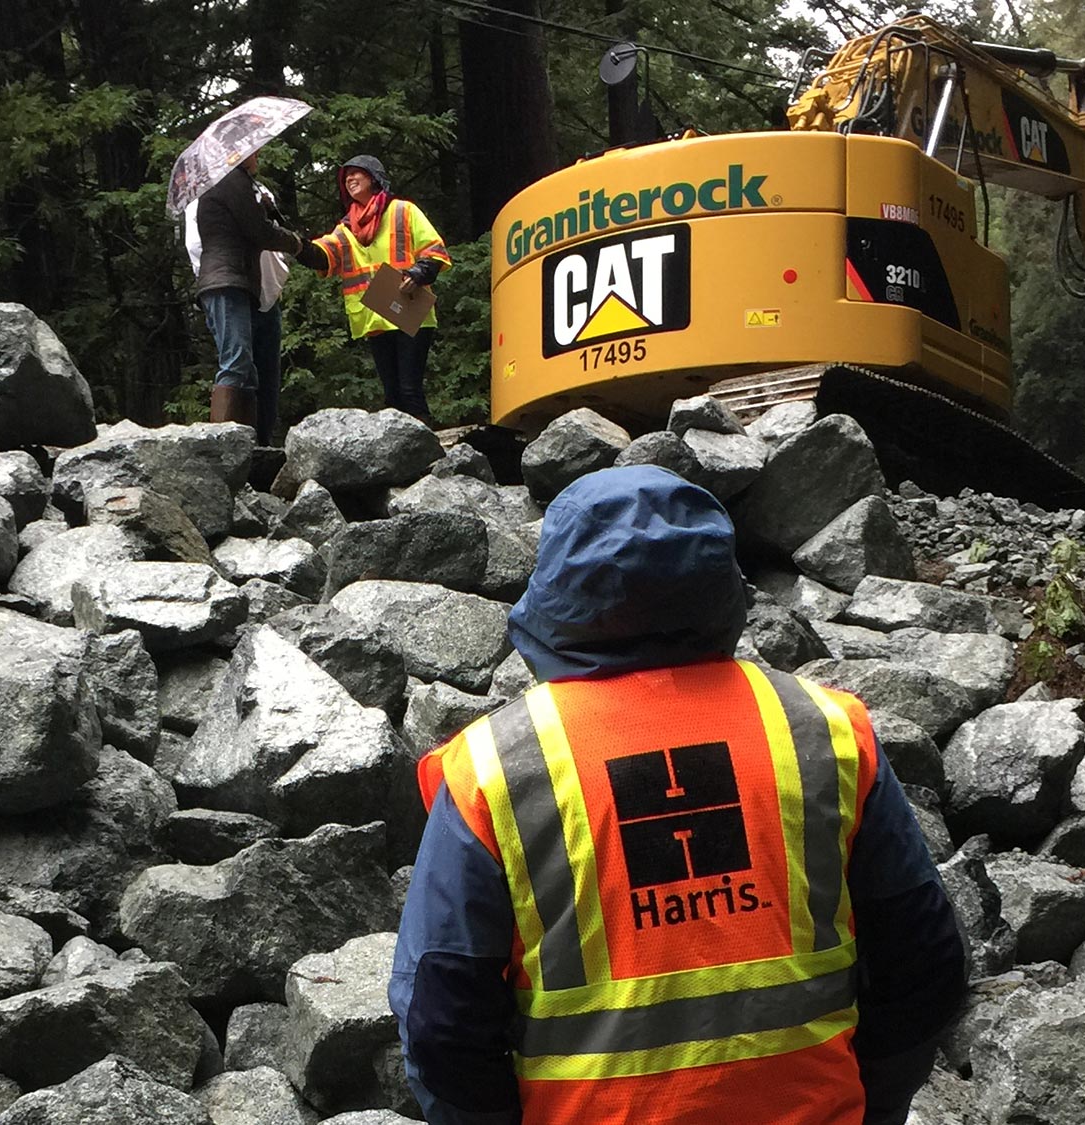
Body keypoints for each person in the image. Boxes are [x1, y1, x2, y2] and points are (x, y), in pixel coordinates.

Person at [391, 465, 967, 1125]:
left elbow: (439, 1025)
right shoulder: (825, 732)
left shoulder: (493, 767)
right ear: (721, 586)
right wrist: (871, 1104)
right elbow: (926, 966)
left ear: (556, 589)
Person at [296, 156, 452, 424]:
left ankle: (427, 450)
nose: (350, 179)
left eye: (357, 173)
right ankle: (404, 452)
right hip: (375, 317)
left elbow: (434, 251)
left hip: (409, 309)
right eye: (346, 177)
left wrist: (418, 272)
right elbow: (321, 256)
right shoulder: (347, 229)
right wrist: (294, 242)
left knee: (409, 390)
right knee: (392, 395)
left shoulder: (403, 211)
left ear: (375, 178)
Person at [195, 151, 303, 428]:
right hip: (226, 281)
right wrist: (296, 243)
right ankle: (224, 444)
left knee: (245, 368)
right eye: (253, 152)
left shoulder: (233, 183)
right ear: (239, 155)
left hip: (234, 282)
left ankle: (248, 443)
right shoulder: (230, 180)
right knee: (237, 362)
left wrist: (264, 207)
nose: (257, 156)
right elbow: (259, 231)